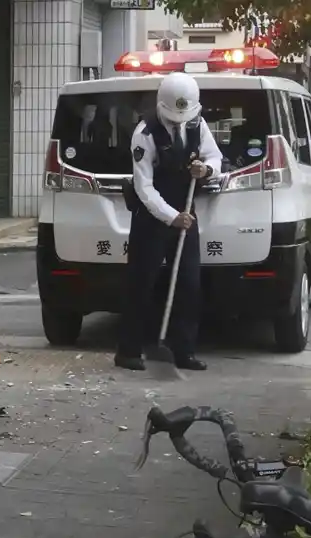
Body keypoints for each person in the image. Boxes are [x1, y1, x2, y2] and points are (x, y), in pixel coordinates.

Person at [116, 72, 223, 372]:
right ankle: (129, 350)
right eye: (174, 118)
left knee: (189, 283)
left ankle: (183, 350)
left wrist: (206, 169)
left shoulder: (196, 124)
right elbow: (144, 187)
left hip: (186, 213)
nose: (179, 123)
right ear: (162, 106)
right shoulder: (145, 133)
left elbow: (215, 156)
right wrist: (171, 217)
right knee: (142, 283)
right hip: (153, 218)